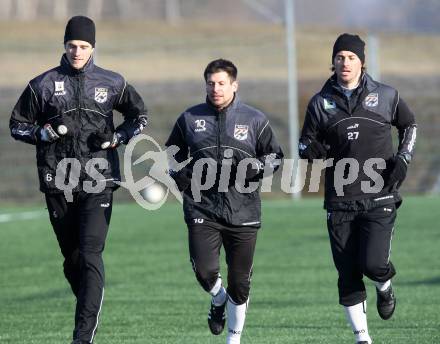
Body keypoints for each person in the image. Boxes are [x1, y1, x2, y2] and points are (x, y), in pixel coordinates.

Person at [9, 16, 148, 344]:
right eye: (72, 45)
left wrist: (117, 138)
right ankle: (91, 298)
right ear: (64, 46)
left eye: (84, 46)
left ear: (93, 47)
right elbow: (17, 125)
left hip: (98, 180)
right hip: (57, 180)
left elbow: (139, 116)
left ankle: (82, 338)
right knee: (73, 262)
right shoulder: (41, 85)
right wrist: (42, 133)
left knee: (89, 254)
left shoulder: (112, 82)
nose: (77, 51)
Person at [299, 33, 417, 344]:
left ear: (362, 62)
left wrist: (403, 158)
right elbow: (305, 143)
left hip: (380, 195)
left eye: (351, 57)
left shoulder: (386, 95)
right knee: (348, 273)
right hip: (340, 200)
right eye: (339, 57)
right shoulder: (320, 103)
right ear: (333, 62)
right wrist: (311, 150)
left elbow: (410, 125)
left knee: (373, 264)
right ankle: (362, 337)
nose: (345, 62)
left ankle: (384, 285)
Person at [165, 59, 283, 344]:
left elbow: (275, 157)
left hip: (243, 210)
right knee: (205, 271)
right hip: (202, 206)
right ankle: (218, 299)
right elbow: (171, 153)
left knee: (240, 283)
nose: (215, 89)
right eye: (210, 83)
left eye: (221, 83)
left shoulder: (254, 119)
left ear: (234, 85)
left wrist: (256, 169)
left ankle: (234, 339)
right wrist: (182, 179)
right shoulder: (190, 119)